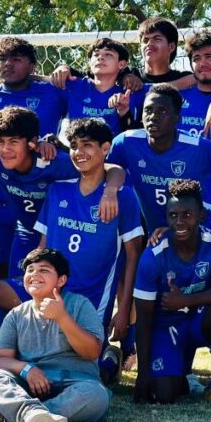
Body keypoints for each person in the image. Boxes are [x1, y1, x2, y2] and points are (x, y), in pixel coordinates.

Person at [0, 107, 124, 391]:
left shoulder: (56, 163)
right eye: (0, 142)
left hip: (60, 242)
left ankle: (107, 357)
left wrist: (111, 189)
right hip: (32, 238)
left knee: (81, 349)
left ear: (32, 143)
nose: (4, 149)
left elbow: (108, 168)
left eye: (13, 142)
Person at [34, 118, 144, 385]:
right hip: (53, 295)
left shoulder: (123, 197)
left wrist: (126, 307)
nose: (78, 152)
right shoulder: (58, 189)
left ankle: (110, 356)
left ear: (105, 148)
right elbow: (42, 248)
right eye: (73, 146)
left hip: (94, 301)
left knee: (85, 373)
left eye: (87, 145)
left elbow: (133, 256)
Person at [0, 248, 109, 422]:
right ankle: (33, 415)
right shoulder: (17, 314)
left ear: (61, 280)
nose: (34, 274)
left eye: (44, 270)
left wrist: (61, 317)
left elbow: (92, 352)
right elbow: (0, 359)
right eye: (30, 270)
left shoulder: (80, 305)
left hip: (77, 381)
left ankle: (7, 413)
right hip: (30, 383)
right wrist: (27, 369)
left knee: (97, 397)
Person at [133, 179, 211, 407]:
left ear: (201, 216)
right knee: (164, 395)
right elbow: (143, 318)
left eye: (187, 215)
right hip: (166, 327)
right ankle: (180, 371)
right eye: (173, 216)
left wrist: (185, 300)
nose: (179, 222)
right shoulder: (153, 254)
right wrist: (142, 377)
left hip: (197, 320)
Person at [0, 37, 67, 282]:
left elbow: (88, 91)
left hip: (40, 199)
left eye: (16, 59)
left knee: (38, 270)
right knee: (1, 273)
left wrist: (55, 142)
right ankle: (6, 321)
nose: (7, 64)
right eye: (2, 59)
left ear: (32, 66)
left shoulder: (53, 93)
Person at [107, 84, 211, 233]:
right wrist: (110, 191)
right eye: (148, 110)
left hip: (198, 235)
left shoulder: (199, 147)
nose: (153, 117)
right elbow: (104, 169)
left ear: (177, 117)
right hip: (156, 236)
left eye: (162, 111)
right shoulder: (126, 142)